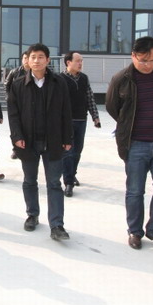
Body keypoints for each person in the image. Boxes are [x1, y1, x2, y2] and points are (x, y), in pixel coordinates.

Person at [105, 36, 153, 253]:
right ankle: (135, 231)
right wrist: (128, 125)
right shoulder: (121, 79)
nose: (148, 65)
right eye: (143, 60)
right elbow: (112, 107)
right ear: (133, 56)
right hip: (135, 144)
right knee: (135, 191)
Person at [8, 43, 73, 241]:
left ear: (48, 60)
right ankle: (32, 214)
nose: (36, 61)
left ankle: (57, 225)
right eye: (33, 57)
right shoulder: (18, 84)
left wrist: (67, 138)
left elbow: (66, 111)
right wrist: (17, 136)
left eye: (41, 57)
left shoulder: (59, 83)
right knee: (30, 180)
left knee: (54, 183)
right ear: (27, 60)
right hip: (28, 141)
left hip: (53, 140)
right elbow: (13, 114)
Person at [61, 51, 101, 196]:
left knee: (77, 151)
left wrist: (95, 117)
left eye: (81, 61)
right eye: (77, 61)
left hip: (81, 120)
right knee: (68, 152)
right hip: (66, 121)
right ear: (68, 62)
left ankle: (72, 173)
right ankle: (68, 182)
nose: (80, 63)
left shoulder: (84, 78)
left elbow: (90, 98)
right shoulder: (60, 79)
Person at [4, 51, 30, 160]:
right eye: (24, 58)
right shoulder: (14, 72)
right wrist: (9, 98)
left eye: (28, 58)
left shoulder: (34, 72)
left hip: (29, 104)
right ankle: (16, 149)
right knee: (15, 127)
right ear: (22, 59)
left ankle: (27, 147)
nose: (26, 60)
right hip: (16, 104)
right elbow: (7, 85)